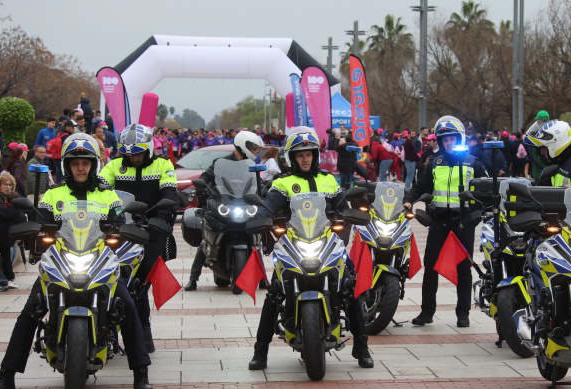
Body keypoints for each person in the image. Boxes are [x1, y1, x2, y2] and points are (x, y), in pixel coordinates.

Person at [0, 133, 153, 389]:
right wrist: (35, 230)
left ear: (93, 165)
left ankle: (141, 375)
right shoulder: (54, 195)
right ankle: (6, 376)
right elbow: (41, 220)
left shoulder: (108, 196)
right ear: (66, 165)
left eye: (85, 162)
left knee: (128, 306)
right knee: (30, 310)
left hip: (100, 262)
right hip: (61, 262)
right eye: (75, 162)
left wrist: (124, 229)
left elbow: (120, 221)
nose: (80, 167)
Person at [246, 129, 373, 370]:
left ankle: (362, 346)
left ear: (315, 155)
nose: (305, 159)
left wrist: (349, 216)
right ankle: (260, 351)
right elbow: (269, 205)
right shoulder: (282, 182)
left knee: (350, 286)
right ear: (292, 158)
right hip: (293, 244)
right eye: (300, 155)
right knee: (275, 292)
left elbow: (342, 205)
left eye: (309, 154)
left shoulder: (328, 180)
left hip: (327, 242)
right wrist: (261, 217)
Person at [100, 124, 180, 353]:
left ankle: (144, 333)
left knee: (140, 283)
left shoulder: (163, 164)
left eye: (138, 152)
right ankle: (107, 331)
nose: (134, 157)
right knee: (109, 276)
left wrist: (163, 219)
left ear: (148, 150)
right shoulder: (114, 165)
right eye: (129, 153)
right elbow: (100, 189)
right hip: (119, 229)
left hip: (149, 230)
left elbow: (169, 194)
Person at [403, 116, 488, 328]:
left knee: (463, 268)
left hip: (463, 222)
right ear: (440, 142)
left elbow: (486, 191)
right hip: (439, 220)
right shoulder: (434, 164)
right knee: (430, 267)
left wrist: (478, 209)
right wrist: (408, 201)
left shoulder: (473, 163)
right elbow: (420, 187)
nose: (449, 143)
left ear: (460, 138)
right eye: (445, 140)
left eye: (452, 139)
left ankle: (463, 313)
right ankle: (427, 312)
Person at [184, 131, 265, 291]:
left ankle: (263, 279)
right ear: (244, 146)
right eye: (253, 148)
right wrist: (203, 187)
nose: (255, 152)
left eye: (256, 149)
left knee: (256, 243)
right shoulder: (220, 162)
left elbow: (258, 183)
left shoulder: (251, 165)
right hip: (224, 203)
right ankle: (193, 279)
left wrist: (265, 189)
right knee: (205, 240)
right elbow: (205, 178)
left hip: (243, 204)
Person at [0, 191, 25, 290]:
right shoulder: (20, 214)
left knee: (6, 256)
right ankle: (7, 279)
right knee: (8, 257)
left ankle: (0, 278)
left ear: (5, 200)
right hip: (9, 239)